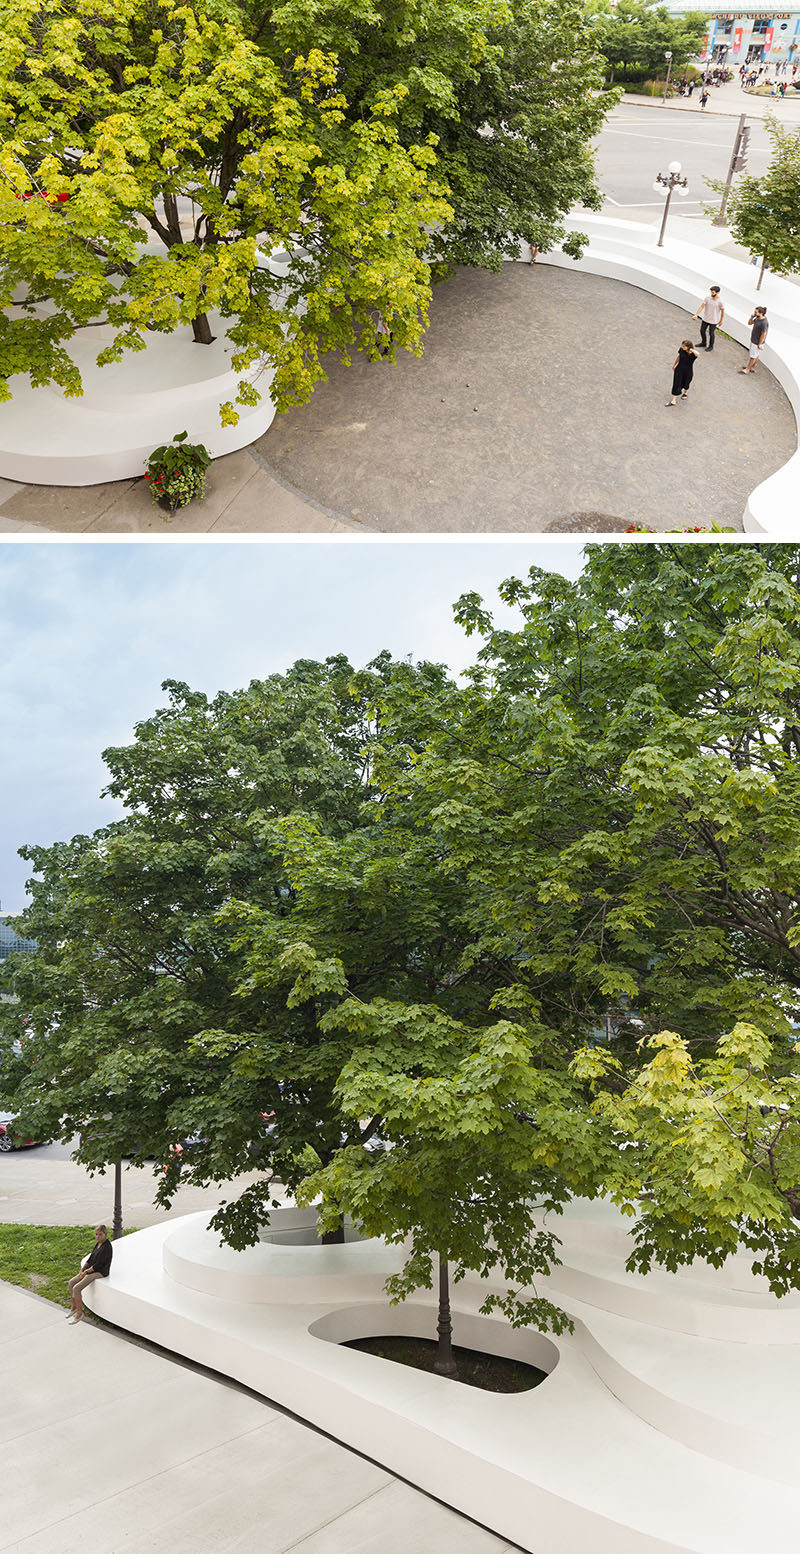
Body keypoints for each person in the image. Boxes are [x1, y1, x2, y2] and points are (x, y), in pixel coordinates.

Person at [67, 1224, 112, 1322]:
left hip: (100, 1272)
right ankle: (74, 1307)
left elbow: (98, 1265)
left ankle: (79, 1313)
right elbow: (91, 1258)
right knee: (71, 1283)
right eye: (96, 1234)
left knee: (77, 1288)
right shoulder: (98, 1244)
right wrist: (82, 1269)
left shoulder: (107, 1247)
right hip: (90, 1270)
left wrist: (86, 1272)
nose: (97, 1237)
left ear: (105, 1234)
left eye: (100, 1235)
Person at [693, 285, 725, 351]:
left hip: (714, 320)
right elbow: (702, 306)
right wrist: (696, 314)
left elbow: (722, 312)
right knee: (702, 331)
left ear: (717, 292)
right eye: (711, 292)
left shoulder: (720, 302)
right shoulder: (707, 298)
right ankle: (703, 343)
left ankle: (711, 346)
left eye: (713, 292)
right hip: (705, 318)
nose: (711, 293)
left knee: (711, 334)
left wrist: (721, 321)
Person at [667, 339, 698, 405]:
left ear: (688, 347)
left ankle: (685, 392)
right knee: (676, 383)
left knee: (686, 382)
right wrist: (674, 364)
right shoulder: (681, 350)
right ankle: (673, 400)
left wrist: (691, 349)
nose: (682, 347)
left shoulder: (693, 354)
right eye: (682, 345)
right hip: (679, 369)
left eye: (684, 346)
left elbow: (698, 354)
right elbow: (678, 357)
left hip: (688, 371)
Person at [740, 307, 768, 373]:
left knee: (753, 356)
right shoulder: (757, 318)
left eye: (756, 312)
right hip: (754, 340)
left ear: (761, 313)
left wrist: (759, 344)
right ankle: (752, 367)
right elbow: (749, 323)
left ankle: (747, 369)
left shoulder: (764, 322)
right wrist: (751, 317)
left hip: (757, 342)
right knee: (756, 355)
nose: (754, 313)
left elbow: (763, 334)